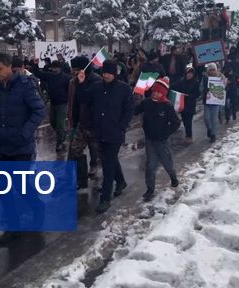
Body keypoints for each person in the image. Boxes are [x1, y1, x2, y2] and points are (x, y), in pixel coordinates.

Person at [0, 53, 45, 245]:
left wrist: (24, 133)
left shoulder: (25, 85)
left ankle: (37, 207)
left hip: (21, 148)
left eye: (0, 69)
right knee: (3, 190)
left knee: (21, 186)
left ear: (9, 67)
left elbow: (39, 110)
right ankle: (12, 228)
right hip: (1, 148)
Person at [80, 59, 134, 213]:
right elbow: (84, 99)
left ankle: (105, 198)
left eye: (110, 73)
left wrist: (122, 126)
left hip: (115, 132)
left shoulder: (123, 89)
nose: (107, 76)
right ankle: (121, 181)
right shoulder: (96, 87)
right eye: (104, 72)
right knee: (108, 159)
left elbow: (129, 109)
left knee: (108, 164)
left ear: (115, 73)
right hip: (100, 130)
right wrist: (82, 83)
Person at [134, 77, 180, 202]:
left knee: (167, 161)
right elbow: (135, 110)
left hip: (162, 140)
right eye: (154, 91)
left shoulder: (167, 106)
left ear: (163, 93)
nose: (156, 94)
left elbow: (176, 122)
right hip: (150, 139)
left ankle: (173, 176)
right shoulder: (147, 103)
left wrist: (165, 133)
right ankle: (150, 189)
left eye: (159, 92)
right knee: (150, 165)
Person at [67, 56, 102, 188]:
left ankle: (94, 165)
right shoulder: (73, 82)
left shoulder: (96, 81)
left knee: (95, 149)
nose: (74, 72)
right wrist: (71, 119)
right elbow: (73, 102)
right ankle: (81, 180)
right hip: (79, 122)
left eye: (76, 69)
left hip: (93, 124)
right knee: (76, 150)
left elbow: (91, 101)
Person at [32, 60, 71, 152]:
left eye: (56, 68)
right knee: (53, 122)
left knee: (60, 124)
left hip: (62, 104)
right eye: (53, 68)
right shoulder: (49, 76)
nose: (54, 70)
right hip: (53, 103)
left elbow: (70, 90)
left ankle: (59, 142)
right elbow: (38, 74)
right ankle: (62, 134)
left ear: (60, 68)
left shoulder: (66, 78)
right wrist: (35, 65)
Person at [172, 66, 199, 140]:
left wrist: (190, 96)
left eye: (191, 74)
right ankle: (188, 133)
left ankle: (189, 135)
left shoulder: (195, 82)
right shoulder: (181, 81)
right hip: (182, 104)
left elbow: (197, 93)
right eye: (188, 73)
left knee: (188, 120)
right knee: (184, 119)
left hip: (190, 104)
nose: (189, 75)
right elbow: (174, 86)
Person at [201, 63, 225, 143]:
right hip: (207, 101)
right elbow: (200, 88)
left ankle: (213, 135)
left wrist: (224, 84)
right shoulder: (205, 78)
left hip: (216, 101)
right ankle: (209, 129)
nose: (212, 72)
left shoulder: (220, 77)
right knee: (206, 118)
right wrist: (205, 91)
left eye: (213, 70)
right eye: (210, 70)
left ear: (216, 70)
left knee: (214, 119)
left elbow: (224, 87)